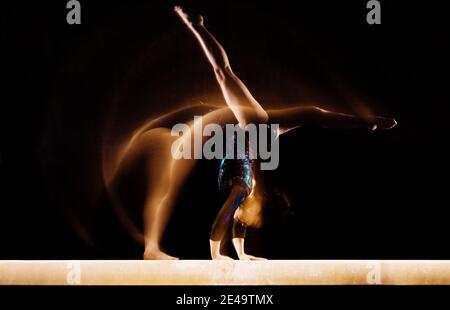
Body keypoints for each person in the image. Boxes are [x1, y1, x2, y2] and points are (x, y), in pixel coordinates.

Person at [106, 6, 397, 260]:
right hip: (234, 132)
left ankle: (156, 248)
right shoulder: (258, 142)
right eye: (250, 210)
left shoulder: (250, 175)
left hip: (223, 139)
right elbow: (317, 116)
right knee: (225, 75)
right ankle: (196, 26)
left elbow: (236, 215)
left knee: (191, 183)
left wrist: (242, 255)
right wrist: (366, 122)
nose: (244, 214)